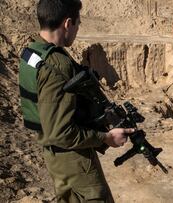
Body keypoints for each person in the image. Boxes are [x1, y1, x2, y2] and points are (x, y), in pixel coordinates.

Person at [19, 0, 134, 202]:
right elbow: (60, 132)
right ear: (67, 23)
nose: (78, 29)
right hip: (74, 160)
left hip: (56, 157)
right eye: (78, 23)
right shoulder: (58, 65)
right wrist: (106, 137)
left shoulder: (34, 51)